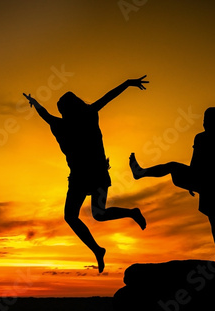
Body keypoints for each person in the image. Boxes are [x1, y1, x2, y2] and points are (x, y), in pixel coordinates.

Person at [23, 75, 149, 273]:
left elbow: (44, 113)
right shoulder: (86, 115)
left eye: (62, 109)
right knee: (93, 215)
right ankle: (104, 244)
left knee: (77, 216)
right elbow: (107, 97)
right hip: (90, 174)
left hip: (87, 175)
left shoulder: (64, 123)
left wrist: (34, 102)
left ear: (66, 110)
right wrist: (127, 83)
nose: (62, 112)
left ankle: (102, 245)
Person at [129, 107, 215, 262]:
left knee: (214, 219)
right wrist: (191, 181)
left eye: (207, 119)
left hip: (212, 183)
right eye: (204, 119)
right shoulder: (200, 137)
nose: (204, 123)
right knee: (172, 166)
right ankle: (140, 173)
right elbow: (196, 159)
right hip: (200, 177)